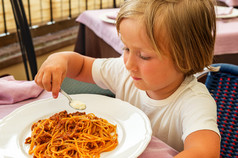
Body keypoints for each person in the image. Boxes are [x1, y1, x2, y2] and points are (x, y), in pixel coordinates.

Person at [35, 0, 221, 157]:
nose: (129, 63)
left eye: (144, 56)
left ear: (186, 57)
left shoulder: (195, 102)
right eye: (126, 48)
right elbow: (83, 66)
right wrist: (59, 60)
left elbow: (204, 151)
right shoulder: (124, 72)